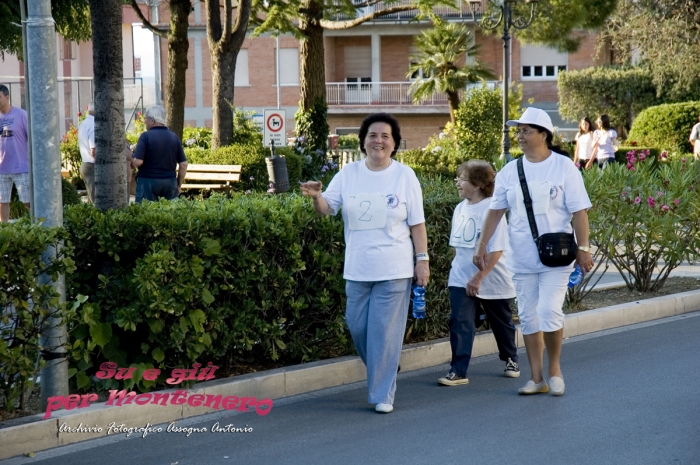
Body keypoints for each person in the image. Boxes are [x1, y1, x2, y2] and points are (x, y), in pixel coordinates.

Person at [299, 113, 429, 414]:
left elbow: (417, 224)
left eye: (385, 136)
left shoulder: (405, 176)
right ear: (363, 140)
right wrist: (316, 197)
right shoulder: (348, 174)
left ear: (394, 143)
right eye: (372, 135)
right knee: (357, 327)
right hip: (358, 268)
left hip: (394, 267)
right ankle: (386, 363)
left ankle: (383, 395)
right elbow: (326, 208)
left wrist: (422, 261)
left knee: (383, 330)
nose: (378, 140)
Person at [474, 107, 594, 397]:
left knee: (549, 310)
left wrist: (584, 248)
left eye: (526, 130)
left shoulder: (564, 167)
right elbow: (495, 212)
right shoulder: (509, 171)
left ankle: (554, 369)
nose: (520, 136)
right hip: (522, 257)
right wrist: (482, 244)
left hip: (557, 256)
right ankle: (536, 378)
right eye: (518, 131)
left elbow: (579, 212)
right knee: (528, 316)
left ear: (544, 134)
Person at [437, 160, 519, 387]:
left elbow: (498, 250)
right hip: (460, 276)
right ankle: (458, 370)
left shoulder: (493, 209)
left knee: (501, 323)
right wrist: (461, 272)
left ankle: (511, 358)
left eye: (461, 179)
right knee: (460, 321)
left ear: (478, 184)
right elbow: (459, 246)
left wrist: (478, 277)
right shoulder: (459, 208)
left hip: (492, 278)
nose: (457, 183)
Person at [132, 105, 187, 203]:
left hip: (147, 181)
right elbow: (183, 164)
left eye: (146, 118)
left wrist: (132, 161)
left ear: (152, 121)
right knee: (170, 214)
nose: (144, 121)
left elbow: (138, 162)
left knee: (146, 214)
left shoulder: (145, 137)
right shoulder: (174, 137)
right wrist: (178, 185)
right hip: (170, 182)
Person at [0, 84, 30, 222]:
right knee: (2, 202)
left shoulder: (21, 115)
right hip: (2, 168)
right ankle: (4, 229)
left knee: (27, 202)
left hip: (21, 167)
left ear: (7, 97)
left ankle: (37, 227)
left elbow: (31, 139)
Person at [78, 103, 96, 203]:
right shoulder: (93, 125)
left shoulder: (84, 123)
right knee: (95, 200)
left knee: (91, 199)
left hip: (85, 164)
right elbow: (94, 150)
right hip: (92, 166)